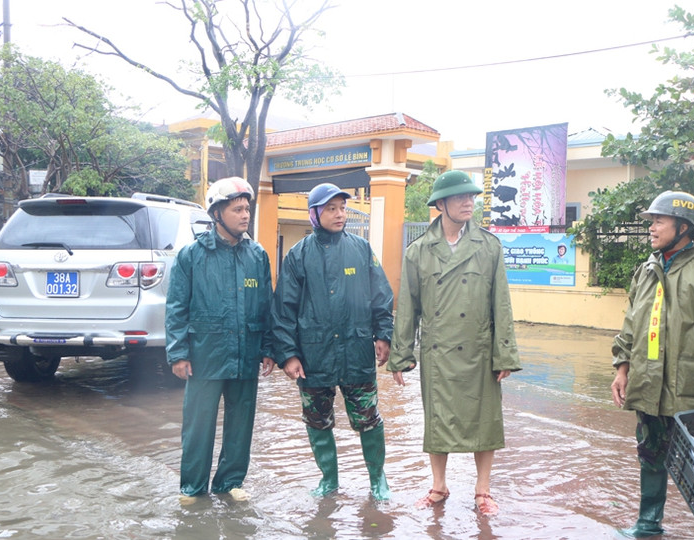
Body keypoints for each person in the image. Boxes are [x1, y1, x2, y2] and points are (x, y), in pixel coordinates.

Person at [610, 191, 694, 540]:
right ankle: (648, 523)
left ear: (683, 227)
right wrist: (622, 367)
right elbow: (631, 323)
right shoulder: (646, 271)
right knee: (650, 454)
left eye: (659, 221)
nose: (652, 228)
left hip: (692, 389)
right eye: (652, 221)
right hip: (648, 386)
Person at [387, 170, 521, 516]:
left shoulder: (488, 246)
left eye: (472, 198)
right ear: (440, 204)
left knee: (485, 420)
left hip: (479, 349)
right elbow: (408, 307)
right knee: (438, 419)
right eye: (461, 197)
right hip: (438, 351)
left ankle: (483, 490)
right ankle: (439, 485)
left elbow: (501, 303)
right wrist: (401, 355)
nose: (468, 203)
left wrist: (503, 352)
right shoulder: (419, 251)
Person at [271, 182, 394, 501]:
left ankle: (378, 479)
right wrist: (287, 355)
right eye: (331, 209)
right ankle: (329, 479)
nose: (340, 214)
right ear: (314, 214)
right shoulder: (298, 255)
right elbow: (283, 308)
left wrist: (383, 335)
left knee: (368, 417)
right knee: (317, 419)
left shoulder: (361, 249)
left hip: (356, 351)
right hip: (314, 356)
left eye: (342, 208)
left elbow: (381, 296)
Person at [165, 176, 274, 505]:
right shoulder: (191, 256)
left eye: (247, 209)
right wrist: (178, 354)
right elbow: (176, 308)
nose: (245, 215)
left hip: (246, 354)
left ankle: (229, 483)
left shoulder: (258, 255)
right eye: (237, 209)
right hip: (205, 354)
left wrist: (269, 349)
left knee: (241, 423)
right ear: (216, 214)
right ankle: (193, 488)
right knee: (198, 425)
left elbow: (267, 306)